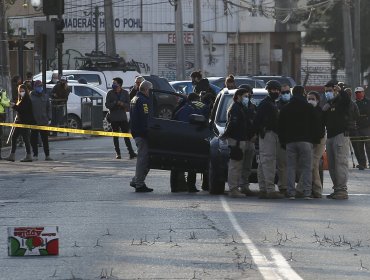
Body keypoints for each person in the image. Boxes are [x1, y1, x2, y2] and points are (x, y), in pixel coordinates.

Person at [278, 86, 318, 199]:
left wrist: (283, 141)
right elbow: (316, 124)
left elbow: (280, 126)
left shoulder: (286, 108)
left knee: (290, 167)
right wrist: (315, 140)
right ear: (303, 93)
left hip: (290, 141)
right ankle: (306, 192)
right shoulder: (309, 107)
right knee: (306, 168)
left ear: (292, 93)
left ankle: (291, 192)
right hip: (306, 141)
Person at [221, 88, 257, 198]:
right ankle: (233, 189)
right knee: (235, 165)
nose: (247, 98)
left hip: (246, 140)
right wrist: (225, 135)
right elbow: (233, 124)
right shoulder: (235, 107)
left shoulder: (247, 107)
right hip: (237, 140)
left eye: (248, 96)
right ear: (238, 96)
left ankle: (244, 186)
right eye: (245, 96)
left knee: (246, 166)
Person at [172, 93, 209, 192]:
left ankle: (174, 186)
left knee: (176, 161)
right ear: (198, 99)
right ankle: (193, 186)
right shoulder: (202, 106)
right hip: (194, 137)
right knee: (194, 161)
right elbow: (206, 121)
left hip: (178, 137)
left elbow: (173, 120)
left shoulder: (181, 106)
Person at [254, 80, 284, 199]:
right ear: (268, 90)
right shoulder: (266, 104)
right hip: (267, 135)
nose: (275, 92)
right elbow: (257, 120)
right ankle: (270, 190)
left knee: (263, 163)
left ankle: (263, 189)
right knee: (268, 162)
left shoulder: (271, 103)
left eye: (277, 90)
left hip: (269, 134)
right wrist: (259, 131)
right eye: (273, 90)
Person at [322, 81, 351, 199]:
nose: (328, 93)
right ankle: (337, 188)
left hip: (340, 135)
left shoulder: (341, 101)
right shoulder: (329, 103)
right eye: (326, 91)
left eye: (330, 90)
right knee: (333, 165)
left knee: (340, 163)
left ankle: (342, 190)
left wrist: (341, 91)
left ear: (335, 90)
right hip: (330, 135)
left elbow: (347, 100)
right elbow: (323, 120)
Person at [295, 91, 326, 198]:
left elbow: (320, 129)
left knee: (311, 164)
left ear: (317, 100)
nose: (310, 101)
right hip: (310, 141)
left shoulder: (319, 111)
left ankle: (299, 189)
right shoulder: (306, 111)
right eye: (308, 98)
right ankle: (317, 190)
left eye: (313, 99)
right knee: (314, 166)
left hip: (319, 140)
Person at [130, 80, 153, 193]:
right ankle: (139, 184)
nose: (151, 93)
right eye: (151, 90)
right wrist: (148, 132)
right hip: (142, 133)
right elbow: (145, 118)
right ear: (147, 90)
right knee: (143, 160)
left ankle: (136, 180)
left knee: (143, 158)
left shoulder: (135, 98)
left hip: (136, 132)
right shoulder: (144, 101)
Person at [105, 77, 137, 159]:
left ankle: (131, 152)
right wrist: (115, 103)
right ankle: (118, 153)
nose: (113, 84)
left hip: (122, 117)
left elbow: (128, 106)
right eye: (113, 83)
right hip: (114, 117)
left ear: (119, 84)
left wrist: (122, 104)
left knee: (126, 136)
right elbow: (107, 105)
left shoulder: (125, 93)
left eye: (114, 83)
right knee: (115, 136)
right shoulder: (110, 93)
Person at [5, 84, 35, 162]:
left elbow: (22, 110)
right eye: (20, 91)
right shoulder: (21, 99)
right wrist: (15, 106)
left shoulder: (27, 100)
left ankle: (29, 156)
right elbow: (20, 109)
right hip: (19, 122)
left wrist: (14, 106)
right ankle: (12, 155)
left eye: (23, 91)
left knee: (26, 139)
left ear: (26, 91)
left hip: (25, 122)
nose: (21, 92)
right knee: (14, 137)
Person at [30, 80, 53, 161]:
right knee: (33, 139)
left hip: (44, 121)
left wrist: (49, 118)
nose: (40, 87)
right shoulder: (31, 96)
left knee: (45, 139)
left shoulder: (45, 96)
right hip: (34, 121)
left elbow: (49, 108)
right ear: (35, 87)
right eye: (38, 86)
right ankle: (35, 155)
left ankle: (47, 155)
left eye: (41, 86)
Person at [276, 83, 291, 196]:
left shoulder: (294, 104)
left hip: (293, 138)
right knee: (282, 165)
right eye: (283, 92)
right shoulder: (277, 105)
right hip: (281, 138)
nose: (286, 94)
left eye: (287, 92)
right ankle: (283, 187)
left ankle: (293, 187)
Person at [354, 86, 370, 169]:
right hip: (358, 128)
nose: (358, 94)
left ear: (363, 92)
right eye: (356, 93)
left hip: (367, 127)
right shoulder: (354, 103)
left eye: (359, 92)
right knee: (359, 147)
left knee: (369, 146)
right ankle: (362, 163)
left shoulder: (368, 102)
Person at [0, 88, 11, 159]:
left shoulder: (2, 92)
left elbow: (7, 103)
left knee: (0, 136)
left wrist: (1, 99)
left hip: (0, 116)